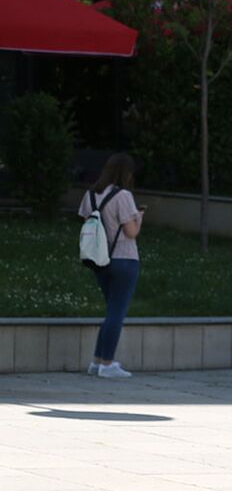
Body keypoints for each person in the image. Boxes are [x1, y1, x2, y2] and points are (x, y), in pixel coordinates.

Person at [78, 154, 144, 379]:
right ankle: (107, 363)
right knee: (117, 312)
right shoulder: (123, 195)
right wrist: (140, 218)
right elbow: (131, 232)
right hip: (124, 259)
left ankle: (97, 361)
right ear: (126, 173)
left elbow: (88, 221)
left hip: (99, 259)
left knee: (111, 311)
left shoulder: (91, 194)